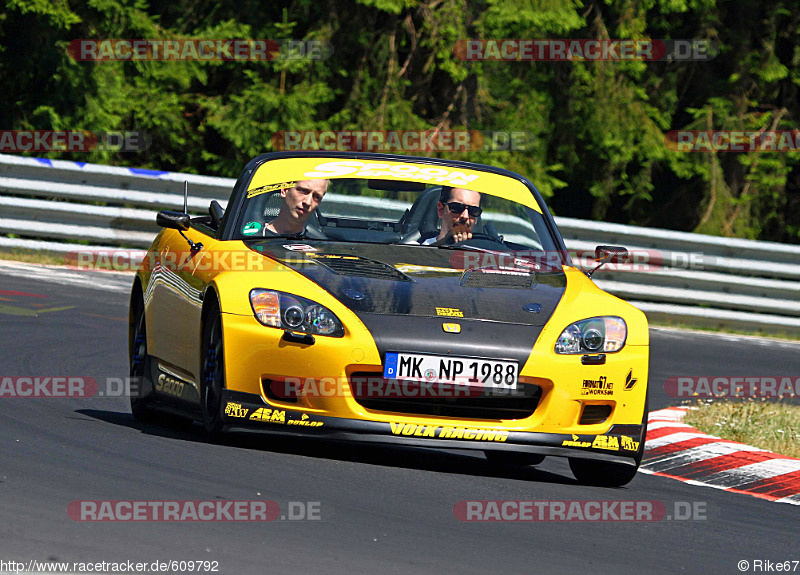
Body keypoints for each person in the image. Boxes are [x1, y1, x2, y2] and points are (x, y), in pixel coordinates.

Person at [263, 179, 329, 236]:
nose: (308, 202)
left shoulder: (318, 245)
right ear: (285, 190)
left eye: (317, 197)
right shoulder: (256, 237)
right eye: (303, 191)